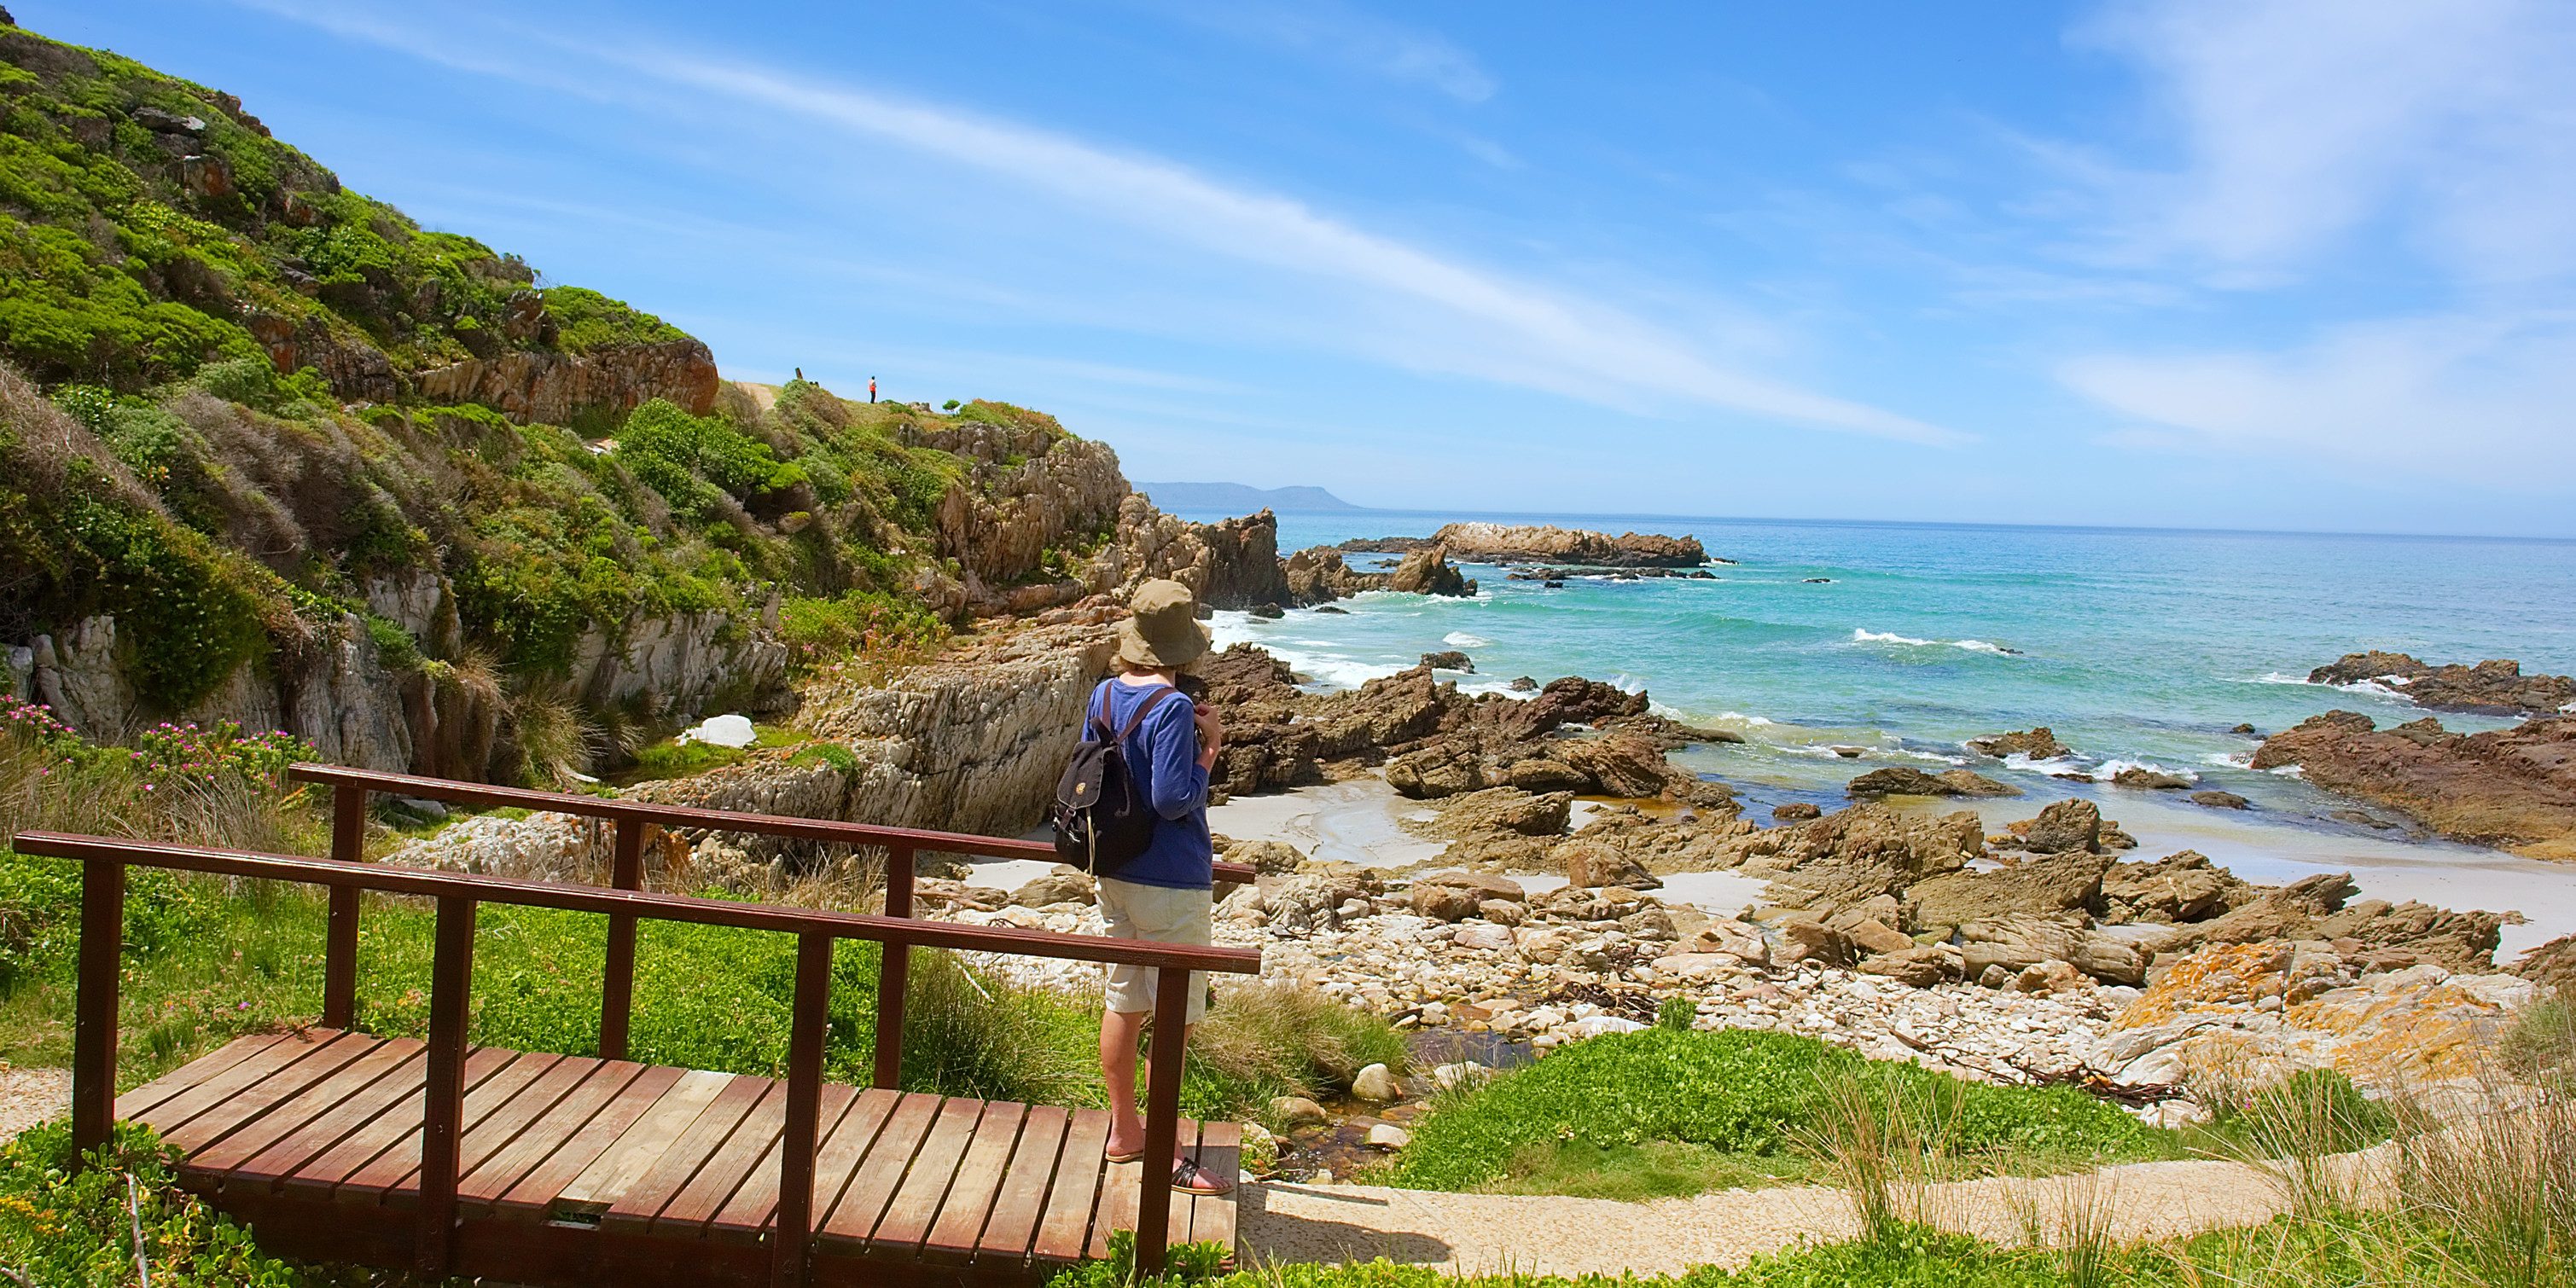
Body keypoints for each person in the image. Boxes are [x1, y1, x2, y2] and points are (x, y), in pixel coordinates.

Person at [1087, 578, 1230, 1196]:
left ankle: (1125, 1132)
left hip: (1113, 870)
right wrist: (1210, 751)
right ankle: (1168, 1154)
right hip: (1170, 881)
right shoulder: (1172, 708)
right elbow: (1174, 801)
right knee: (1174, 1020)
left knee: (1124, 1002)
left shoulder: (1104, 693)